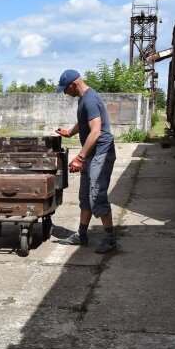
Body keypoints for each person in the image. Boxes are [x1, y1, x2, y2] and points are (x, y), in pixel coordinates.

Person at [54, 69, 117, 253]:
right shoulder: (84, 98)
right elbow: (84, 123)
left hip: (101, 153)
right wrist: (69, 132)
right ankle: (82, 235)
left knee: (97, 194)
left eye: (66, 90)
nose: (66, 93)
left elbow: (96, 131)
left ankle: (110, 239)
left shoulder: (90, 99)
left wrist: (80, 157)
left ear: (74, 84)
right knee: (85, 195)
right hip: (93, 153)